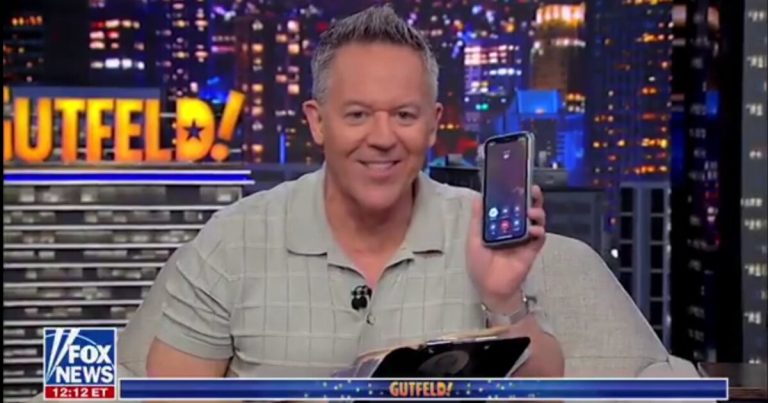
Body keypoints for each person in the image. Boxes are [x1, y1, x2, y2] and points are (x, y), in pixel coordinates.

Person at [145, 4, 566, 378]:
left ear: (433, 124)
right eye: (358, 115)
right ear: (318, 122)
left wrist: (503, 299)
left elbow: (547, 389)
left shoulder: (482, 229)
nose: (382, 138)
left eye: (404, 115)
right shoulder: (233, 240)